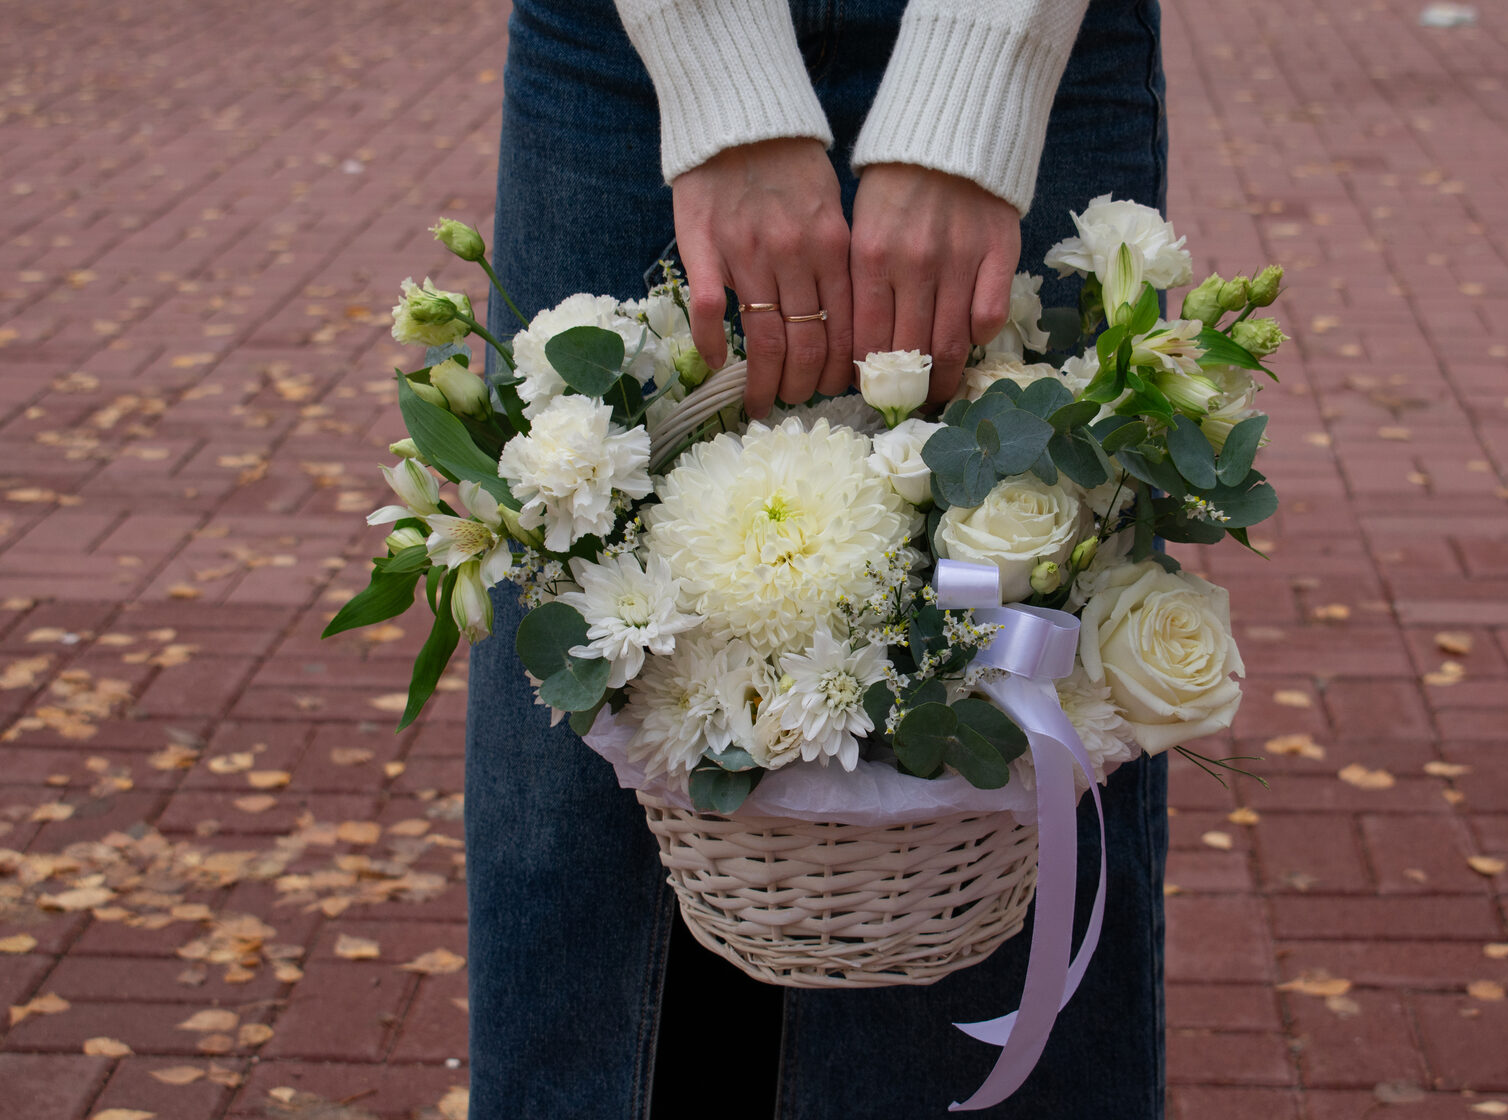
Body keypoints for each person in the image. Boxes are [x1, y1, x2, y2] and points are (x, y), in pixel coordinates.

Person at [465, 2, 1170, 1116]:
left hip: (1027, 46)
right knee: (582, 795)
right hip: (629, 47)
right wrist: (719, 69)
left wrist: (976, 84)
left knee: (1029, 692)